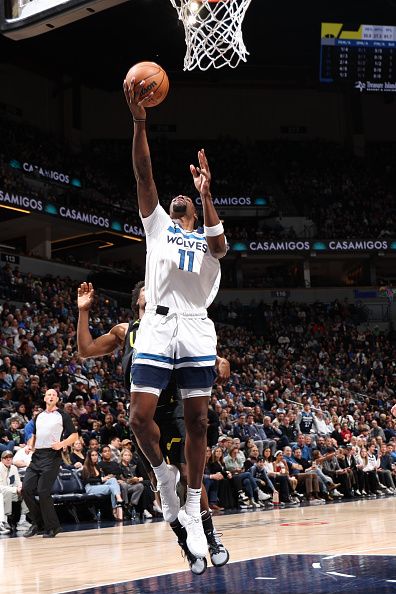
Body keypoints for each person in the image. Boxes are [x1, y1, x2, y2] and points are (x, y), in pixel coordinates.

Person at [122, 78, 227, 559]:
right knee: (138, 417)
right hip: (160, 323)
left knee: (199, 421)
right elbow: (144, 174)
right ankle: (165, 480)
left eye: (187, 199)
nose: (179, 199)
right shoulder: (160, 226)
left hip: (196, 323)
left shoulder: (206, 237)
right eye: (180, 196)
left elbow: (222, 245)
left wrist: (206, 195)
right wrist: (140, 120)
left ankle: (192, 510)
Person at [77, 280, 230, 573]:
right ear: (138, 301)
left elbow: (205, 351)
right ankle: (187, 546)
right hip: (144, 416)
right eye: (149, 290)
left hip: (174, 410)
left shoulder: (175, 326)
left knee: (188, 474)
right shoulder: (125, 331)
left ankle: (210, 536)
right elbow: (85, 350)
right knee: (162, 486)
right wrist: (84, 312)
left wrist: (221, 360)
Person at [22, 389, 78, 538]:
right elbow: (33, 435)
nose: (51, 396)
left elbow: (74, 435)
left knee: (43, 491)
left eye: (54, 394)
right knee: (25, 489)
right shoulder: (38, 416)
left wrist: (62, 443)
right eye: (48, 394)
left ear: (57, 399)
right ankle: (38, 523)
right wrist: (29, 445)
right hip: (37, 456)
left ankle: (53, 527)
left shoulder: (63, 415)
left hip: (52, 456)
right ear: (44, 398)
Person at [0, 450, 30, 532]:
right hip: (2, 493)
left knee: (25, 491)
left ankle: (22, 521)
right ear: (2, 460)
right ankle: (5, 521)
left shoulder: (14, 468)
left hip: (11, 491)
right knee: (7, 492)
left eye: (10, 458)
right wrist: (15, 489)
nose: (9, 460)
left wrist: (20, 487)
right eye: (6, 458)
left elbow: (18, 481)